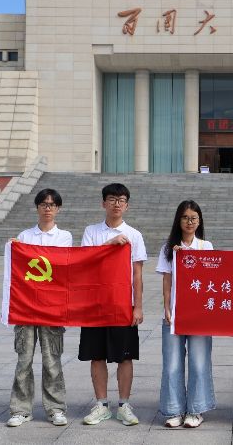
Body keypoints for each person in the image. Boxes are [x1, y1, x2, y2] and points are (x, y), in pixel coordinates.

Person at [79, 183, 147, 426]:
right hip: (95, 304)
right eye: (112, 199)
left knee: (125, 357)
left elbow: (137, 273)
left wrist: (138, 306)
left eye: (121, 200)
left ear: (127, 206)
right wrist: (110, 244)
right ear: (103, 203)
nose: (116, 204)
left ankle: (124, 405)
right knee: (96, 356)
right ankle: (101, 405)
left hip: (122, 304)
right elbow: (85, 260)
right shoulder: (91, 231)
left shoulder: (134, 235)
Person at [7, 188, 72, 427]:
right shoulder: (25, 236)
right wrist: (13, 247)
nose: (48, 208)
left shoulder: (64, 237)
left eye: (52, 204)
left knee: (51, 360)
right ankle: (21, 409)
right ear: (37, 207)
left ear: (58, 209)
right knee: (23, 360)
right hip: (25, 305)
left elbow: (63, 266)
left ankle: (55, 408)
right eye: (44, 204)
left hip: (52, 306)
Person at [156, 200, 215, 429]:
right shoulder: (169, 248)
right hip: (174, 314)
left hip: (199, 315)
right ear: (178, 220)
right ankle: (174, 410)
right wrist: (167, 308)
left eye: (193, 218)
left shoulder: (205, 246)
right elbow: (167, 281)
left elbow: (211, 277)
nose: (189, 222)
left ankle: (195, 410)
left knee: (199, 364)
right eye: (185, 218)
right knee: (172, 364)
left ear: (199, 221)